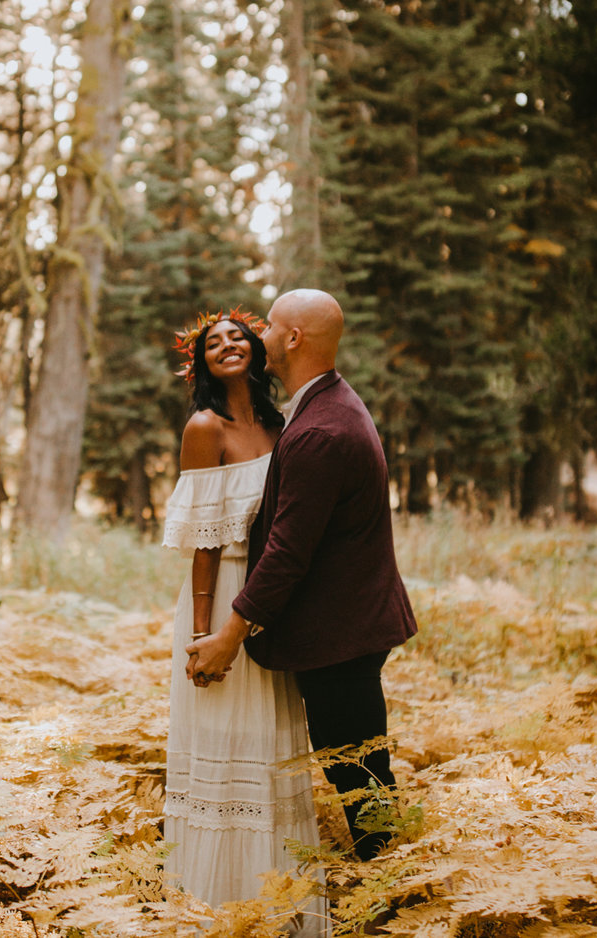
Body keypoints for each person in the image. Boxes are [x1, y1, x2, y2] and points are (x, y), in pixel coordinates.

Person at [186, 288, 420, 863]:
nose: (258, 335)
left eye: (267, 328)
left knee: (361, 781)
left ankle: (395, 896)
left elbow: (288, 554)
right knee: (361, 774)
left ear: (292, 339)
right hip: (348, 625)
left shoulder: (318, 430)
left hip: (340, 635)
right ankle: (392, 888)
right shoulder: (326, 405)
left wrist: (228, 636)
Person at [159, 310, 328, 935]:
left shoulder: (284, 427)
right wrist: (207, 633)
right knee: (222, 746)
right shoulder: (205, 428)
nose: (226, 346)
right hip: (222, 595)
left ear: (258, 350)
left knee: (271, 750)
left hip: (267, 602)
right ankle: (215, 912)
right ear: (199, 362)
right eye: (212, 342)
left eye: (237, 337)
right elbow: (205, 540)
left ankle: (277, 912)